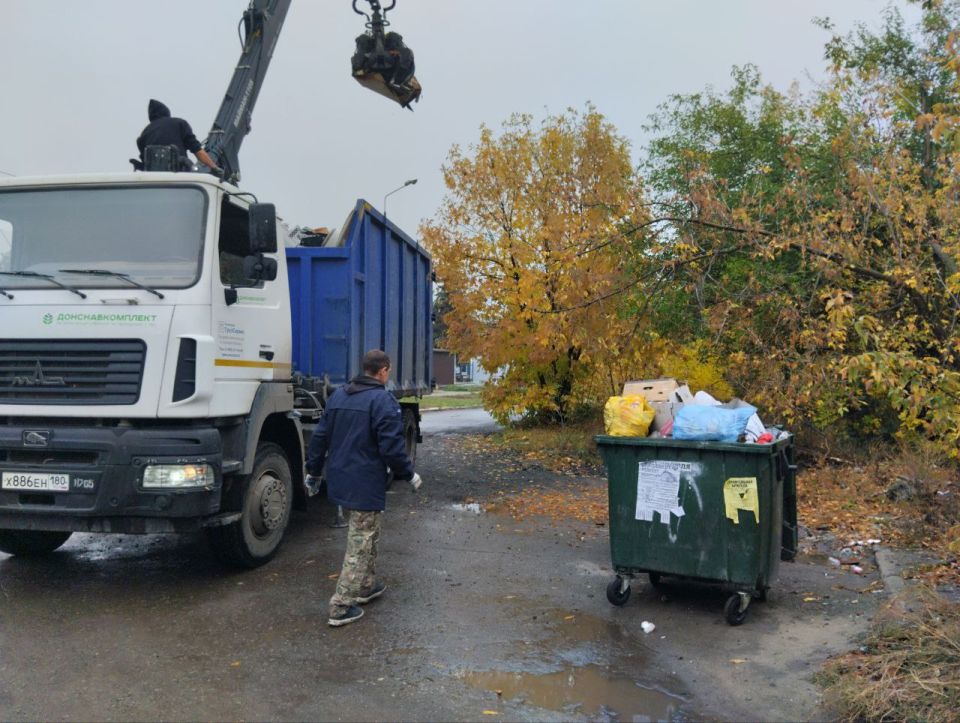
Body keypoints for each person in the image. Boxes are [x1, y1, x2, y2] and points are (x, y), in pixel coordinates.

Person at [305, 349, 422, 627]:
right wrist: (409, 474)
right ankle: (341, 606)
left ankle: (365, 586)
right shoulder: (382, 401)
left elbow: (320, 438)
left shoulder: (339, 396)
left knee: (369, 532)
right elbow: (391, 448)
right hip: (365, 481)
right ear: (383, 371)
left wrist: (314, 471)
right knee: (361, 541)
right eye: (388, 371)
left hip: (341, 477)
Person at [135, 99, 220, 173]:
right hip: (180, 175)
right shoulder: (179, 124)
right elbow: (197, 151)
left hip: (154, 179)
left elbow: (145, 162)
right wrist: (214, 167)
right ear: (166, 112)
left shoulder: (144, 134)